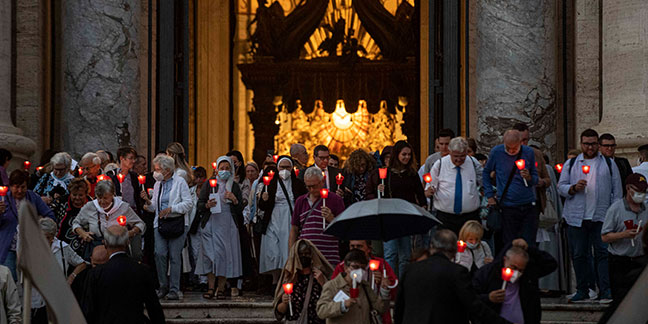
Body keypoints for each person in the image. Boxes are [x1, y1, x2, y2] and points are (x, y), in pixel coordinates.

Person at [558, 128, 622, 303]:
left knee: (602, 253)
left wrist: (615, 213)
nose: (590, 147)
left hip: (601, 216)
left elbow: (617, 190)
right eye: (586, 144)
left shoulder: (608, 164)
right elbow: (561, 186)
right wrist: (573, 188)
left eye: (593, 143)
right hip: (576, 216)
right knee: (579, 254)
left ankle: (605, 290)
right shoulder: (571, 164)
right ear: (581, 144)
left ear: (598, 144)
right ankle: (583, 289)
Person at [394, 229, 512, 324]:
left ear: (432, 247)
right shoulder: (457, 272)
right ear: (454, 251)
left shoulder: (411, 269)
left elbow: (399, 306)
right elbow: (474, 305)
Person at [367, 140, 426, 276]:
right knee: (390, 253)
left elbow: (419, 193)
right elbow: (380, 196)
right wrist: (379, 190)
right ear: (397, 155)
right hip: (390, 216)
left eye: (409, 155)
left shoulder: (411, 173)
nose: (406, 157)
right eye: (404, 154)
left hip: (405, 216)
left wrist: (422, 207)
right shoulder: (386, 174)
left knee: (405, 254)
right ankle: (391, 282)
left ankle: (403, 283)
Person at [84, 225, 165, 324]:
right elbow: (153, 307)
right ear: (127, 242)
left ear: (105, 244)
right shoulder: (142, 270)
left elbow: (89, 310)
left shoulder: (96, 273)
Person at [141, 154, 192, 300]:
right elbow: (155, 207)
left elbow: (188, 203)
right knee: (159, 253)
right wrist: (147, 202)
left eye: (158, 169)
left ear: (167, 170)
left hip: (177, 223)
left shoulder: (180, 182)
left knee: (175, 256)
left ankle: (174, 289)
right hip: (161, 223)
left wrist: (172, 208)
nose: (155, 172)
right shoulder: (158, 184)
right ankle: (163, 285)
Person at [472, 239, 557, 324]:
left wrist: (530, 249)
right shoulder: (487, 273)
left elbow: (551, 263)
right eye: (513, 267)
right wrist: (488, 298)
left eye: (520, 270)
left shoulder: (528, 275)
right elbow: (472, 298)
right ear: (505, 260)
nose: (516, 272)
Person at [196, 156, 245, 299]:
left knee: (224, 255)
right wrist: (207, 205)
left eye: (227, 168)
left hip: (227, 224)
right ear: (216, 170)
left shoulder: (234, 186)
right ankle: (211, 287)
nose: (224, 171)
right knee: (211, 255)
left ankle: (221, 288)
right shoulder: (208, 184)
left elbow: (240, 208)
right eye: (221, 168)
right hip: (211, 222)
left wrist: (235, 200)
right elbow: (200, 204)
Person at [483, 130, 539, 247]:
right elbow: (486, 173)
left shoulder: (528, 152)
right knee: (509, 243)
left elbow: (535, 178)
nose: (511, 151)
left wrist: (529, 177)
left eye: (514, 148)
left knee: (529, 244)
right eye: (508, 148)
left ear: (521, 143)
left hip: (528, 205)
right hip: (507, 206)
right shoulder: (497, 152)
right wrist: (489, 195)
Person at [258, 157, 307, 284]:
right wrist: (264, 199)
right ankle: (275, 280)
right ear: (277, 168)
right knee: (272, 249)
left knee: (287, 248)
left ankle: (286, 280)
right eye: (282, 167)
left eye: (287, 168)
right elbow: (262, 206)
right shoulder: (270, 183)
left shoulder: (298, 184)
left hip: (290, 217)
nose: (284, 170)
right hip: (273, 218)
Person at [0, 170, 55, 280]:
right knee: (9, 277)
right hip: (9, 245)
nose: (20, 191)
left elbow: (49, 215)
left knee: (29, 278)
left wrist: (41, 225)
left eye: (23, 187)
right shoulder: (3, 199)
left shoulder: (33, 197)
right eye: (16, 187)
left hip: (29, 245)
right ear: (10, 187)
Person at [601, 173, 648, 302]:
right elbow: (604, 237)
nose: (641, 194)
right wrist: (624, 234)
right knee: (621, 300)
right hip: (620, 261)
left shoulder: (646, 209)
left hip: (641, 260)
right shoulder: (615, 209)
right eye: (638, 191)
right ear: (628, 188)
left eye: (644, 191)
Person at [32, 217, 88, 324]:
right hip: (38, 299)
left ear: (53, 237)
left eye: (47, 237)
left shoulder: (62, 247)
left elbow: (82, 263)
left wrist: (71, 277)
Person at [73, 179, 145, 260]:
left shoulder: (123, 208)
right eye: (99, 198)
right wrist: (83, 233)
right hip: (97, 250)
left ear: (112, 195)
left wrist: (131, 232)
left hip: (118, 249)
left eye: (105, 198)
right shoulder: (90, 207)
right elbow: (76, 223)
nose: (102, 202)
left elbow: (140, 224)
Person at [330, 240, 397, 324]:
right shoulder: (341, 267)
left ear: (369, 249)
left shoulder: (381, 265)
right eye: (352, 246)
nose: (355, 249)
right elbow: (331, 297)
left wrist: (384, 285)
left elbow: (394, 292)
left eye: (359, 246)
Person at [289, 167, 345, 266]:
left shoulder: (336, 200)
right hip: (306, 257)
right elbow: (294, 229)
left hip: (328, 257)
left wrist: (331, 219)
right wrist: (292, 254)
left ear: (322, 182)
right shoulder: (301, 201)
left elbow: (343, 230)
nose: (311, 190)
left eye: (314, 186)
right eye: (308, 186)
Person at [317, 249, 389, 324]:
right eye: (355, 267)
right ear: (345, 268)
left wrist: (384, 290)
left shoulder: (365, 287)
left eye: (363, 268)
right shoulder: (332, 286)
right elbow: (321, 311)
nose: (360, 271)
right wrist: (342, 305)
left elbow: (381, 308)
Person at [428, 137, 483, 235]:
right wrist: (429, 190)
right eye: (455, 156)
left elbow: (482, 181)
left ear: (466, 152)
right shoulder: (440, 164)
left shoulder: (473, 163)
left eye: (462, 156)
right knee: (446, 247)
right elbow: (431, 185)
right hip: (446, 218)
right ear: (450, 152)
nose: (458, 160)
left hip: (469, 218)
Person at [273, 239, 333, 324]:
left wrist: (323, 283)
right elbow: (279, 313)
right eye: (301, 254)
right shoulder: (290, 278)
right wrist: (284, 302)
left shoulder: (319, 276)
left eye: (307, 254)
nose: (304, 256)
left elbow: (332, 300)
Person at [57, 178, 91, 254]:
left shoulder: (91, 206)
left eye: (81, 195)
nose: (77, 198)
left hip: (82, 244)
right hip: (60, 242)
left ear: (86, 194)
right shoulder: (62, 201)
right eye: (74, 195)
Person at [107, 147, 144, 216]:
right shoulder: (112, 176)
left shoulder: (134, 177)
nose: (133, 161)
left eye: (134, 158)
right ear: (121, 158)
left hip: (133, 212)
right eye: (130, 158)